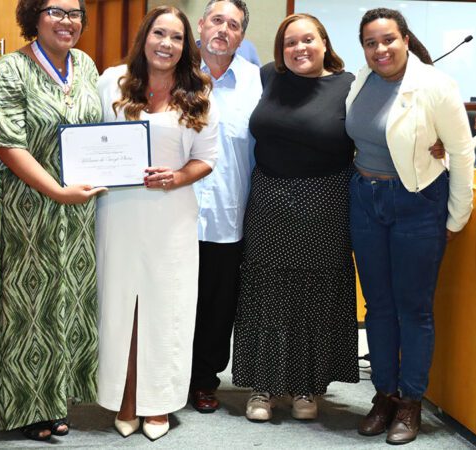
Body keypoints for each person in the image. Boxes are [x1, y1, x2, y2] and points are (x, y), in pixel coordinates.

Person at [0, 0, 104, 441]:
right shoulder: (10, 70)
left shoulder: (85, 64)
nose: (67, 21)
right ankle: (25, 407)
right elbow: (8, 143)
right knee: (27, 308)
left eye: (74, 13)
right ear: (33, 17)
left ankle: (56, 398)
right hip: (28, 211)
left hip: (78, 214)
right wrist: (57, 191)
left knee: (66, 303)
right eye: (55, 11)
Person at [347, 8, 474, 445]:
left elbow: (460, 154)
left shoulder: (436, 86)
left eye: (388, 40)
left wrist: (456, 216)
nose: (380, 50)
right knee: (377, 306)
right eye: (370, 42)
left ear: (405, 39)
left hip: (417, 202)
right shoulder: (360, 79)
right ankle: (383, 395)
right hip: (365, 197)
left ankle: (410, 402)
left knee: (413, 309)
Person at [97, 6, 219, 441]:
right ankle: (124, 396)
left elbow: (206, 158)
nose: (166, 44)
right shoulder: (111, 80)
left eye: (177, 38)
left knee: (167, 307)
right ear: (144, 37)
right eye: (159, 34)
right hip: (118, 212)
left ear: (187, 46)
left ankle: (159, 402)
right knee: (119, 304)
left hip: (171, 215)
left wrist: (177, 177)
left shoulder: (198, 89)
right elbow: (90, 139)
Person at [232, 13, 359, 422]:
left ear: (324, 42)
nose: (299, 48)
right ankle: (263, 386)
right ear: (280, 50)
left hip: (326, 201)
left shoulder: (348, 85)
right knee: (267, 289)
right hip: (269, 198)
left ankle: (307, 386)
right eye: (290, 42)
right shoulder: (267, 77)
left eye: (307, 40)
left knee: (315, 292)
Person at [188, 0, 261, 414]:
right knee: (172, 299)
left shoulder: (257, 81)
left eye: (233, 25)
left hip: (227, 215)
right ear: (201, 25)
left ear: (241, 36)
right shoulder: (174, 72)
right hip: (172, 211)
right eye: (216, 20)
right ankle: (166, 377)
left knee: (218, 304)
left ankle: (204, 380)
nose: (223, 30)